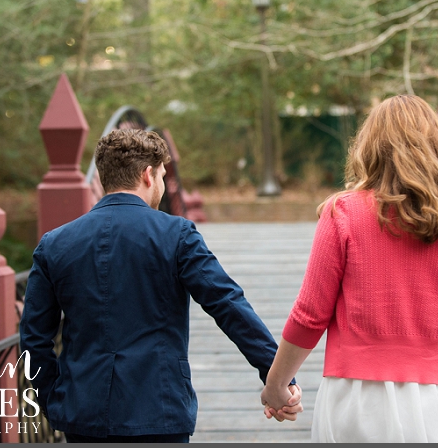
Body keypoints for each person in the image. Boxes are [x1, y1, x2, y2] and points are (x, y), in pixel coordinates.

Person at [20, 129, 301, 443]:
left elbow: (34, 338)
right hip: (160, 410)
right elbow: (227, 304)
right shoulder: (176, 234)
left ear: (103, 180)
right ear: (147, 175)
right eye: (163, 176)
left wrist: (54, 399)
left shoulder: (55, 244)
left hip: (82, 415)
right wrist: (277, 378)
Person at [260, 95, 438, 443]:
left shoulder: (344, 213)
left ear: (370, 148)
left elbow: (310, 315)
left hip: (358, 400)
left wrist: (276, 386)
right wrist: (423, 363)